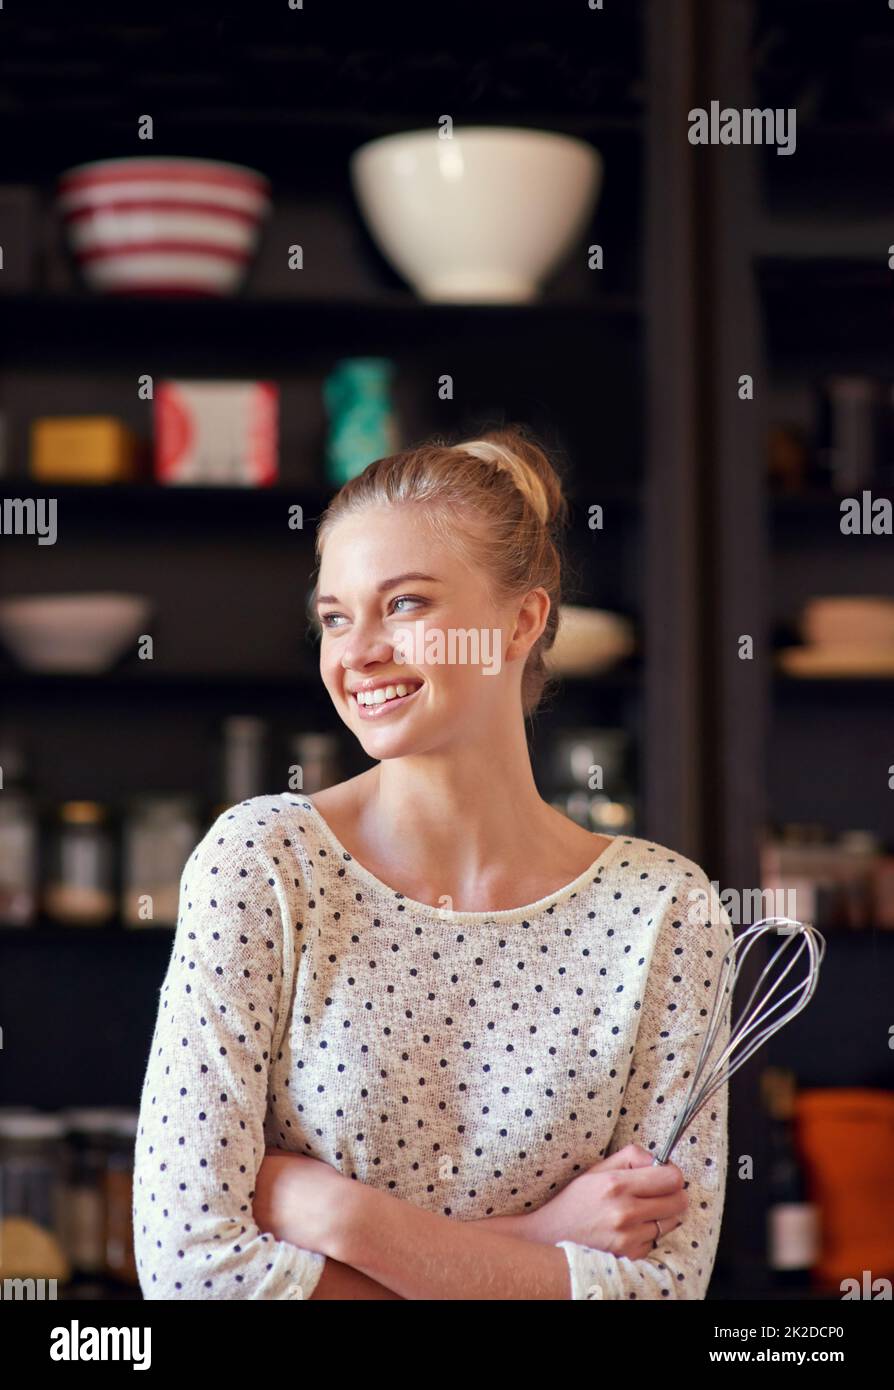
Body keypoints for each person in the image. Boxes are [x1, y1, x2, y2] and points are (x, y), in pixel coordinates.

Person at [132, 425, 733, 1300]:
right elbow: (190, 1274)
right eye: (335, 617)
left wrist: (340, 1218)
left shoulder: (666, 911)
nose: (358, 651)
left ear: (521, 621)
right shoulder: (264, 864)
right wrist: (539, 1245)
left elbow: (664, 1289)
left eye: (406, 605)